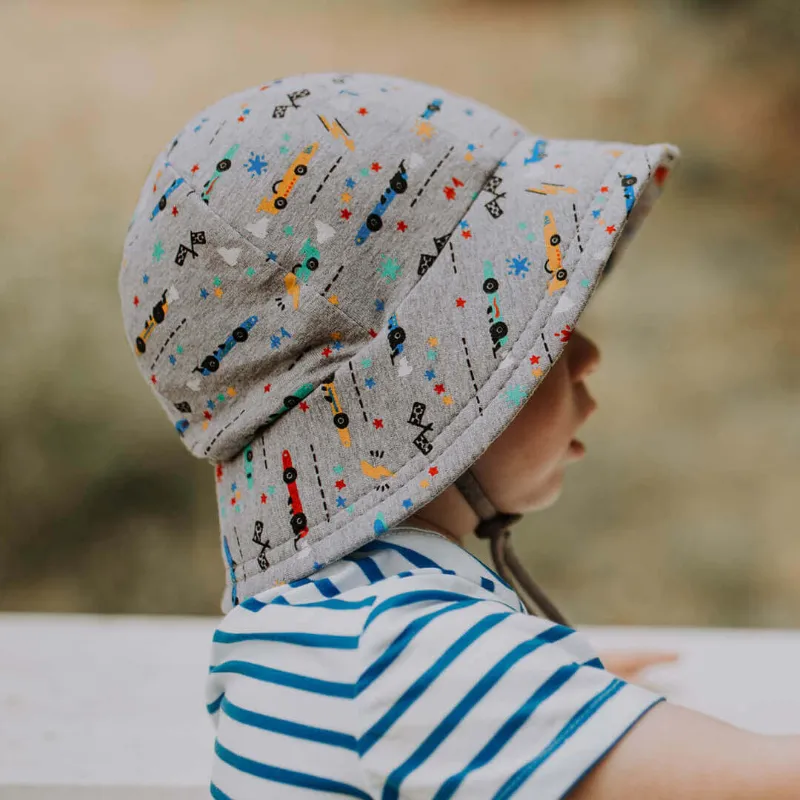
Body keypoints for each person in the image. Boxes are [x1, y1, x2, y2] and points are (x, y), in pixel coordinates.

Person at [118, 72, 800, 798]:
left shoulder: (338, 624)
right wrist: (528, 694)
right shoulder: (409, 654)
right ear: (425, 395)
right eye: (544, 333)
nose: (588, 355)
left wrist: (551, 688)